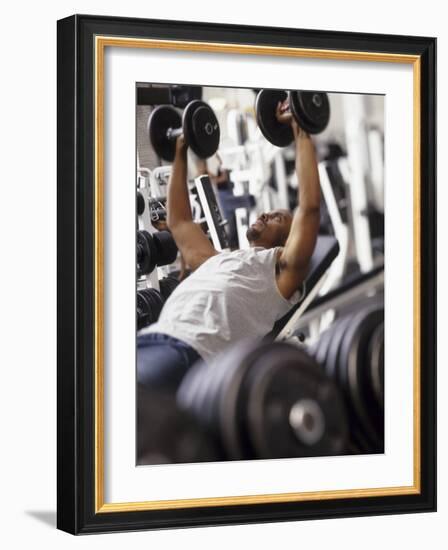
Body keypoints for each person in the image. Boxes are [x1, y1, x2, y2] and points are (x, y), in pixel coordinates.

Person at [138, 101, 321, 392]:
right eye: (268, 211)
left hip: (189, 352)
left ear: (289, 241)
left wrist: (300, 126)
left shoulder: (280, 275)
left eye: (277, 218)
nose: (264, 214)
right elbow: (181, 222)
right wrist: (180, 150)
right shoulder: (216, 259)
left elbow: (309, 208)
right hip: (155, 336)